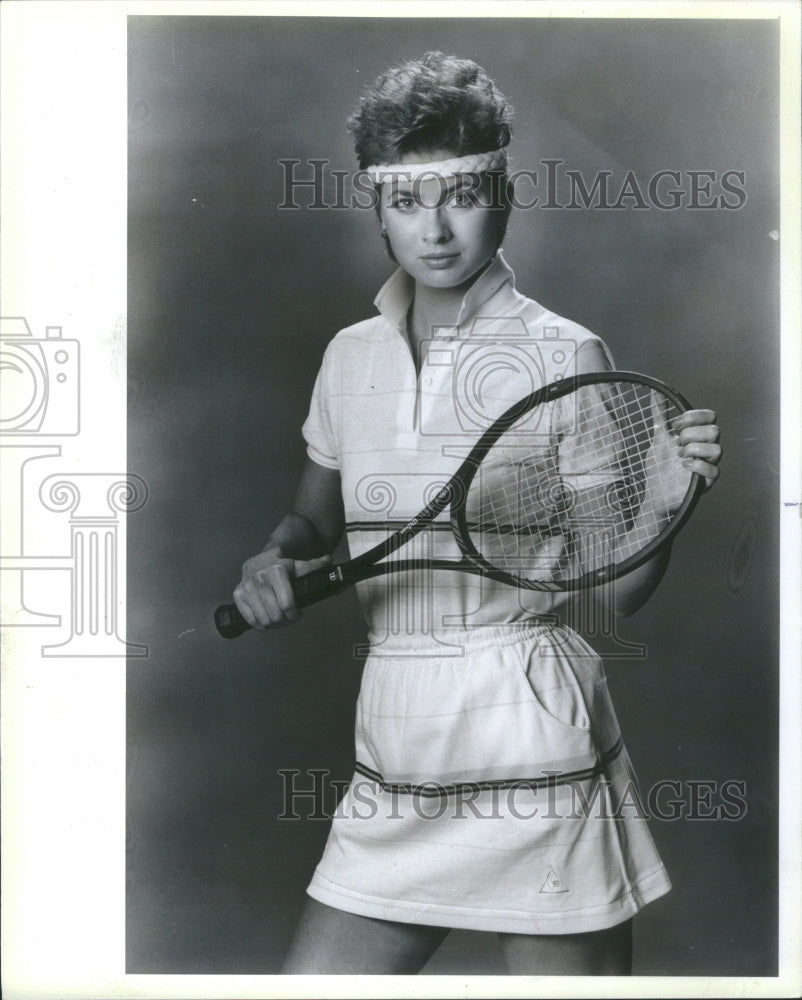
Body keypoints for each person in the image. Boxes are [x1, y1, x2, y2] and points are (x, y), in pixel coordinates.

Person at [232, 52, 722, 975]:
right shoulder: (348, 358)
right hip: (396, 740)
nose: (439, 229)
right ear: (377, 207)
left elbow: (613, 597)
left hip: (529, 734)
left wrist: (665, 504)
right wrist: (274, 559)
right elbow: (310, 527)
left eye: (462, 194)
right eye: (409, 201)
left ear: (503, 192)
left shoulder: (566, 354)